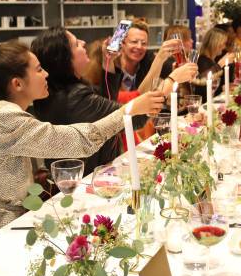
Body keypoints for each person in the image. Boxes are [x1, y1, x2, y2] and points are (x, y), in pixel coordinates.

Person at [0, 39, 164, 258]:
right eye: (38, 70)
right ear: (17, 84)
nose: (46, 74)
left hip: (1, 230)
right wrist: (129, 110)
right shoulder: (3, 118)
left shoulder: (4, 113)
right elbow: (77, 141)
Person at [31, 28, 196, 175]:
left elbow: (104, 104)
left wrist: (107, 63)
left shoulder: (63, 92)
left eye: (143, 43)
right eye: (76, 44)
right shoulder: (73, 98)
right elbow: (131, 118)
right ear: (64, 59)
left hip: (92, 170)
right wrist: (172, 80)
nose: (83, 42)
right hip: (86, 178)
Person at [100, 21, 182, 101]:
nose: (139, 47)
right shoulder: (110, 64)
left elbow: (171, 67)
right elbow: (114, 99)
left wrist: (177, 67)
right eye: (134, 42)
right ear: (122, 43)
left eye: (144, 43)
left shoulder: (148, 59)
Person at [193, 28, 231, 102]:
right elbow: (203, 85)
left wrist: (223, 87)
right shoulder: (202, 61)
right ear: (215, 44)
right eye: (223, 43)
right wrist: (221, 64)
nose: (224, 47)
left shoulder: (211, 60)